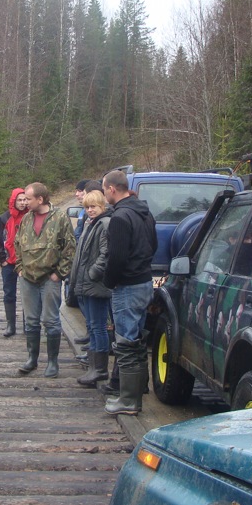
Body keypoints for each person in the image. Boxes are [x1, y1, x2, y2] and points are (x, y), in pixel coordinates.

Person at [101, 169, 157, 415]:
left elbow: (117, 257)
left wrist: (110, 282)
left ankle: (128, 401)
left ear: (112, 189)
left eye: (104, 190)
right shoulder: (145, 212)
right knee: (137, 342)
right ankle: (136, 393)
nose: (104, 195)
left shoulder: (121, 217)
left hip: (128, 286)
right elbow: (153, 245)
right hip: (144, 283)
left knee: (125, 343)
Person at [14, 182, 76, 378]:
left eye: (29, 198)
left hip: (50, 278)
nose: (25, 202)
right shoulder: (26, 219)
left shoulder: (59, 217)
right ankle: (32, 359)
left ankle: (52, 362)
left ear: (40, 199)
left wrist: (60, 273)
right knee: (31, 322)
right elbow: (17, 244)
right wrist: (19, 268)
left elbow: (70, 248)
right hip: (28, 279)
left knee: (51, 321)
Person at [68, 189, 112, 387]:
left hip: (96, 284)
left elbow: (106, 253)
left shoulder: (104, 224)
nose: (90, 210)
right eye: (87, 207)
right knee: (93, 326)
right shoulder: (90, 224)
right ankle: (94, 366)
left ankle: (100, 369)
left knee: (98, 326)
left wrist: (93, 273)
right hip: (87, 284)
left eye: (93, 206)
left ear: (102, 206)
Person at [0, 188, 29, 338]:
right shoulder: (4, 218)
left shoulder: (30, 216)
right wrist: (2, 259)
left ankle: (28, 325)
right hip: (9, 262)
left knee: (27, 294)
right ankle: (10, 325)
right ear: (13, 201)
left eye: (25, 199)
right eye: (19, 200)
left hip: (27, 263)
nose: (23, 203)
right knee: (9, 293)